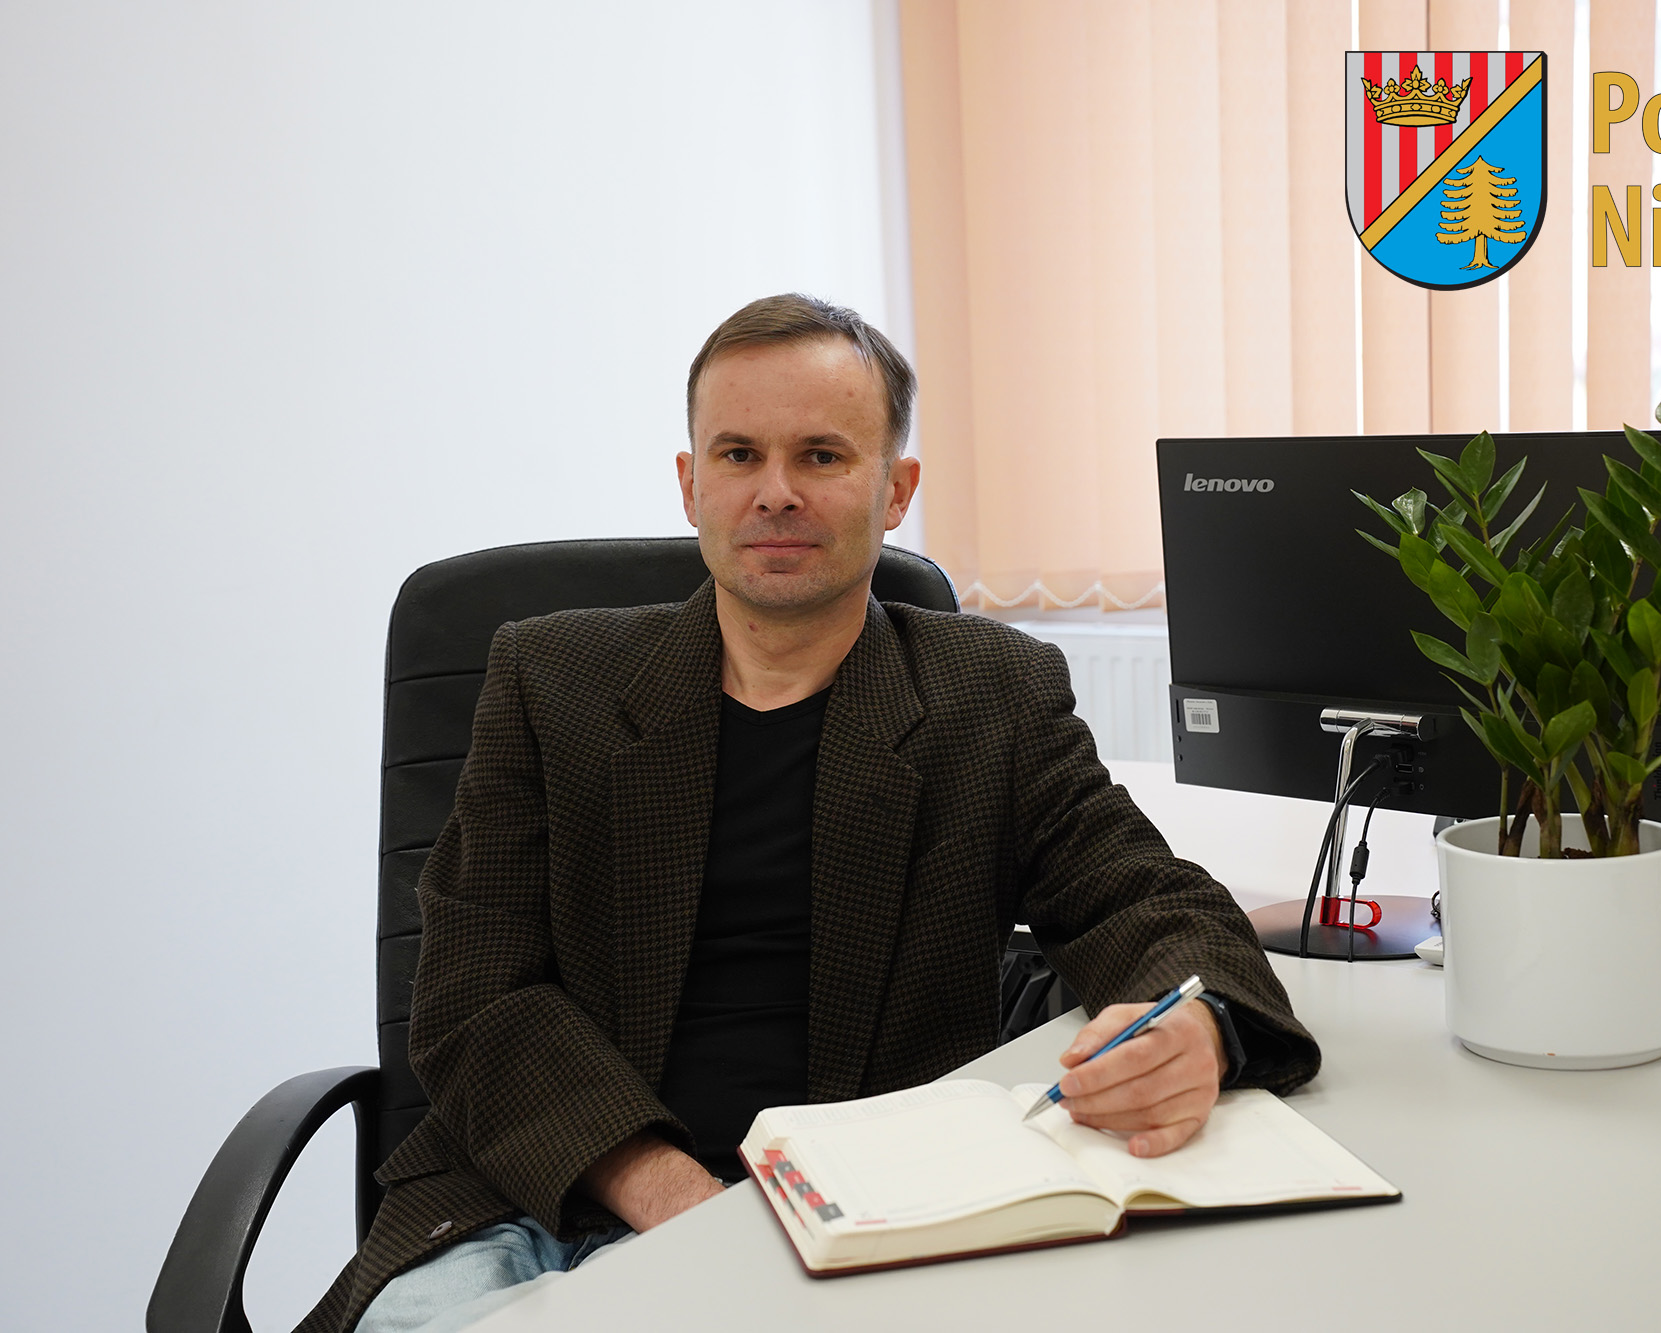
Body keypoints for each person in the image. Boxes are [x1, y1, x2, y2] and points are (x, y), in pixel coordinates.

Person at [299, 295, 1319, 1333]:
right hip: (540, 1200)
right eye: (738, 454)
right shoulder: (551, 679)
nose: (775, 492)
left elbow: (1145, 899)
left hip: (864, 1212)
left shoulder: (989, 694)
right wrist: (675, 1199)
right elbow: (477, 995)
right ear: (691, 484)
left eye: (821, 456)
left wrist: (1198, 1025)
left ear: (894, 490)